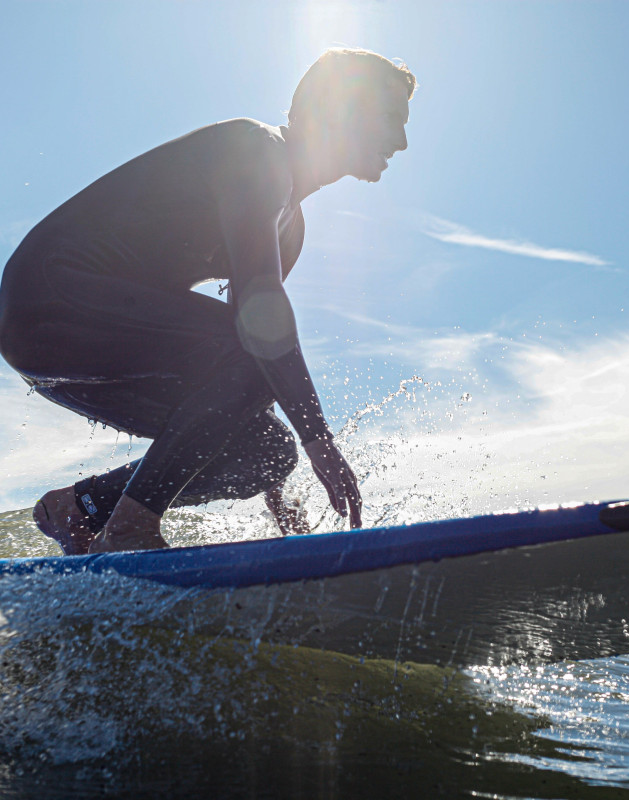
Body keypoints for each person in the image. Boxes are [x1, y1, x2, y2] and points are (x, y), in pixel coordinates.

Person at [0, 48, 415, 555]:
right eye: (391, 119)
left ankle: (82, 508)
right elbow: (257, 329)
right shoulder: (256, 149)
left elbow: (249, 368)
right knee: (255, 347)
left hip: (80, 344)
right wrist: (320, 440)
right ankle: (132, 527)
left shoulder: (291, 230)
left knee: (267, 450)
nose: (401, 140)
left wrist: (279, 493)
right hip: (48, 298)